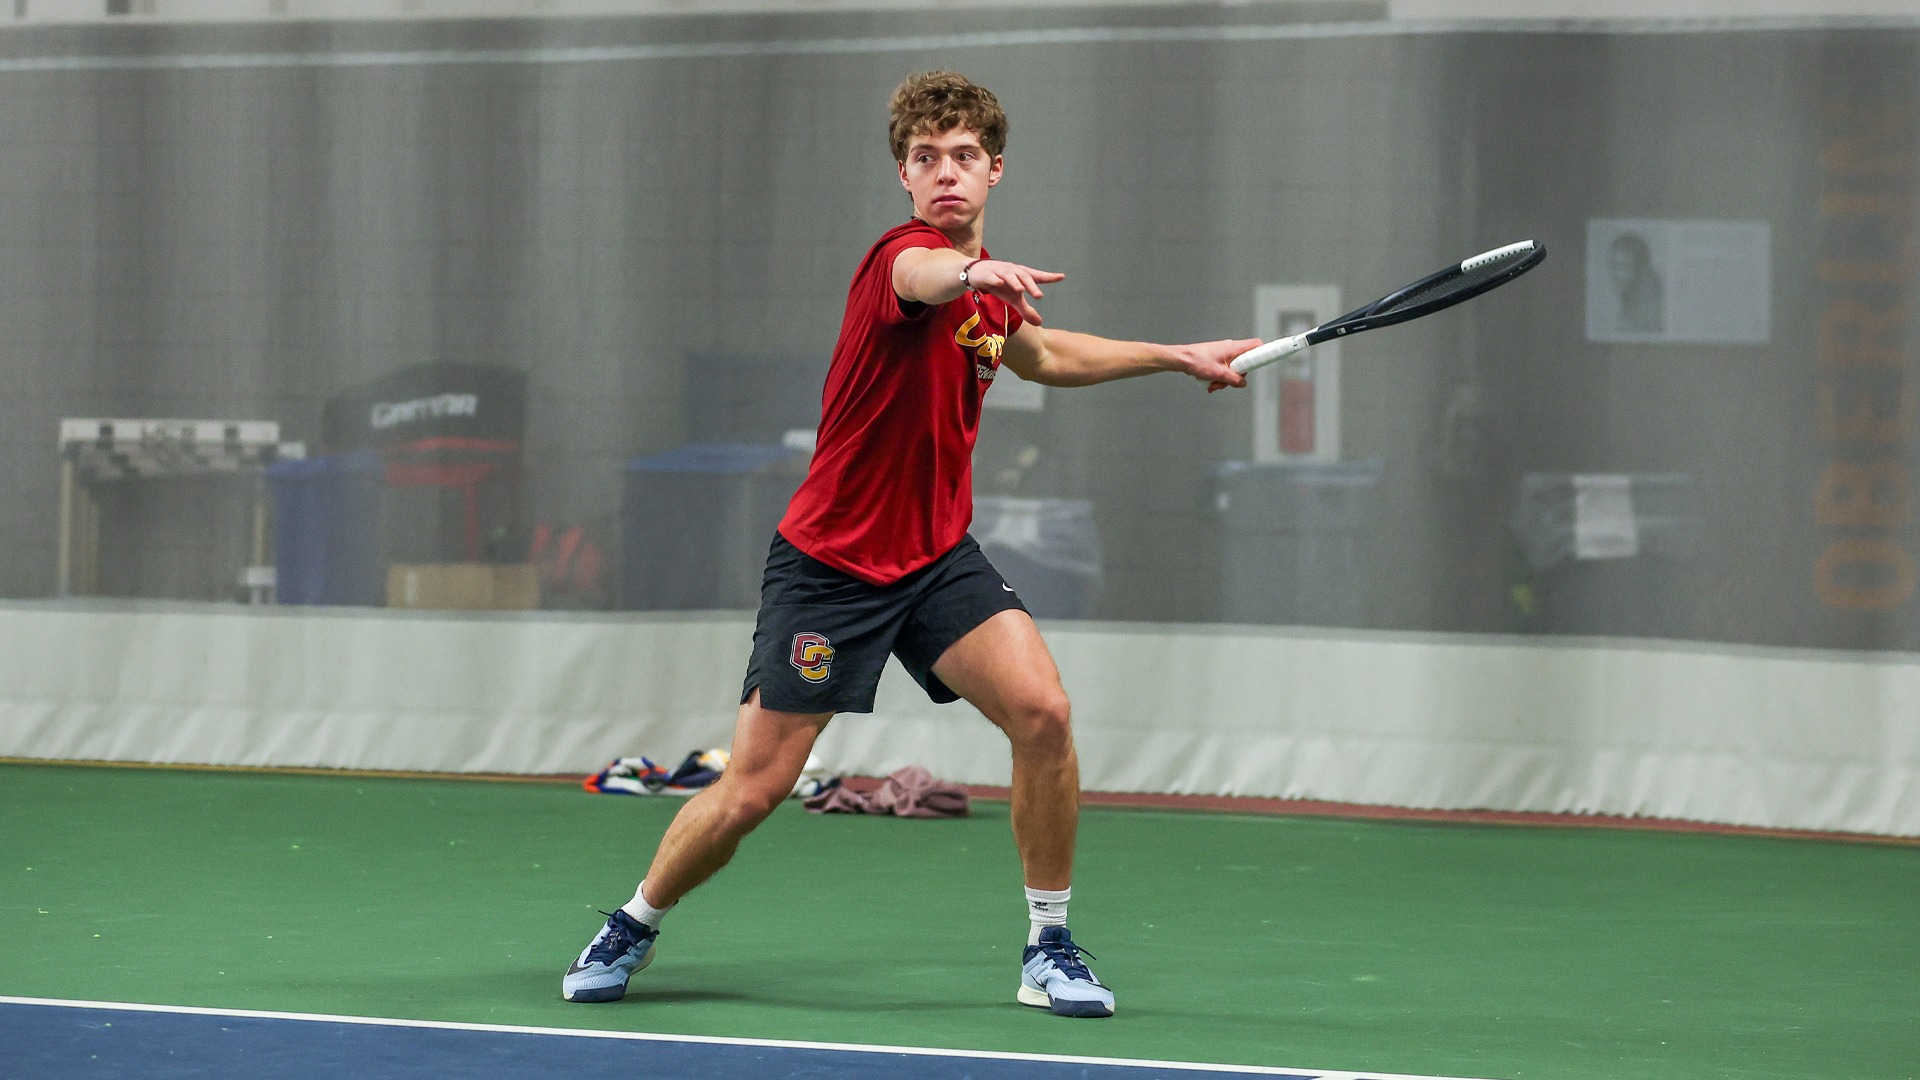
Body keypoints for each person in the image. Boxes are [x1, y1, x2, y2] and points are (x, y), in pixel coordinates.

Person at [562, 70, 1258, 1019]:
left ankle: (1048, 947)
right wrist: (969, 273)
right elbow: (925, 279)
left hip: (934, 558)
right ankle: (635, 920)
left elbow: (1047, 354)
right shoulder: (902, 260)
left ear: (995, 169)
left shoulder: (997, 295)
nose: (946, 173)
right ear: (905, 175)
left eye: (964, 156)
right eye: (926, 158)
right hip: (830, 567)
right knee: (755, 789)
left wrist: (1176, 358)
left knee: (1044, 715)